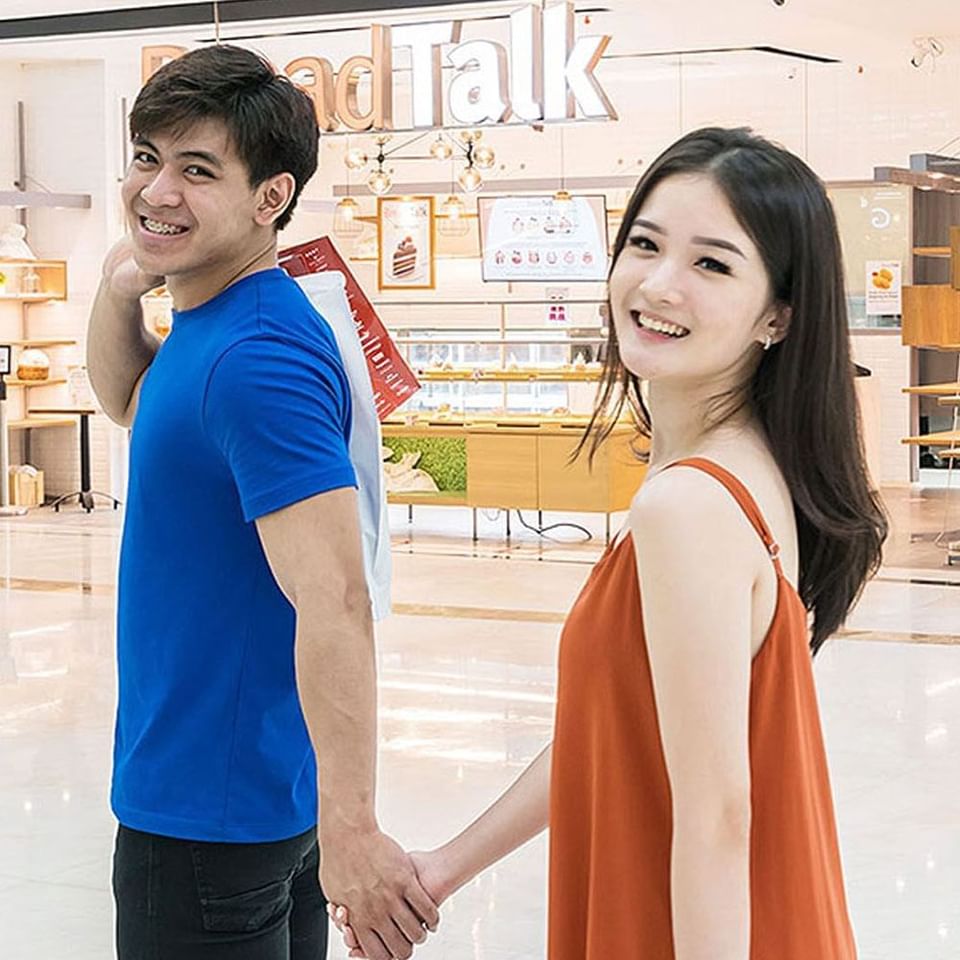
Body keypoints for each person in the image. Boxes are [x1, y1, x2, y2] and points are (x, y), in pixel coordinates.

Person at [332, 126, 888, 959]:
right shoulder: (752, 468)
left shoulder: (689, 505)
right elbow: (622, 727)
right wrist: (446, 867)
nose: (659, 284)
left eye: (712, 263)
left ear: (778, 314)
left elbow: (717, 815)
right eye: (645, 244)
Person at [87, 45, 438, 960]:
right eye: (146, 157)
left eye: (197, 170)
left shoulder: (255, 360)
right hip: (240, 794)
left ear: (270, 199)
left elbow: (336, 597)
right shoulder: (216, 326)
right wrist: (122, 284)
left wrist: (355, 828)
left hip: (210, 816)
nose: (156, 190)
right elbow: (132, 402)